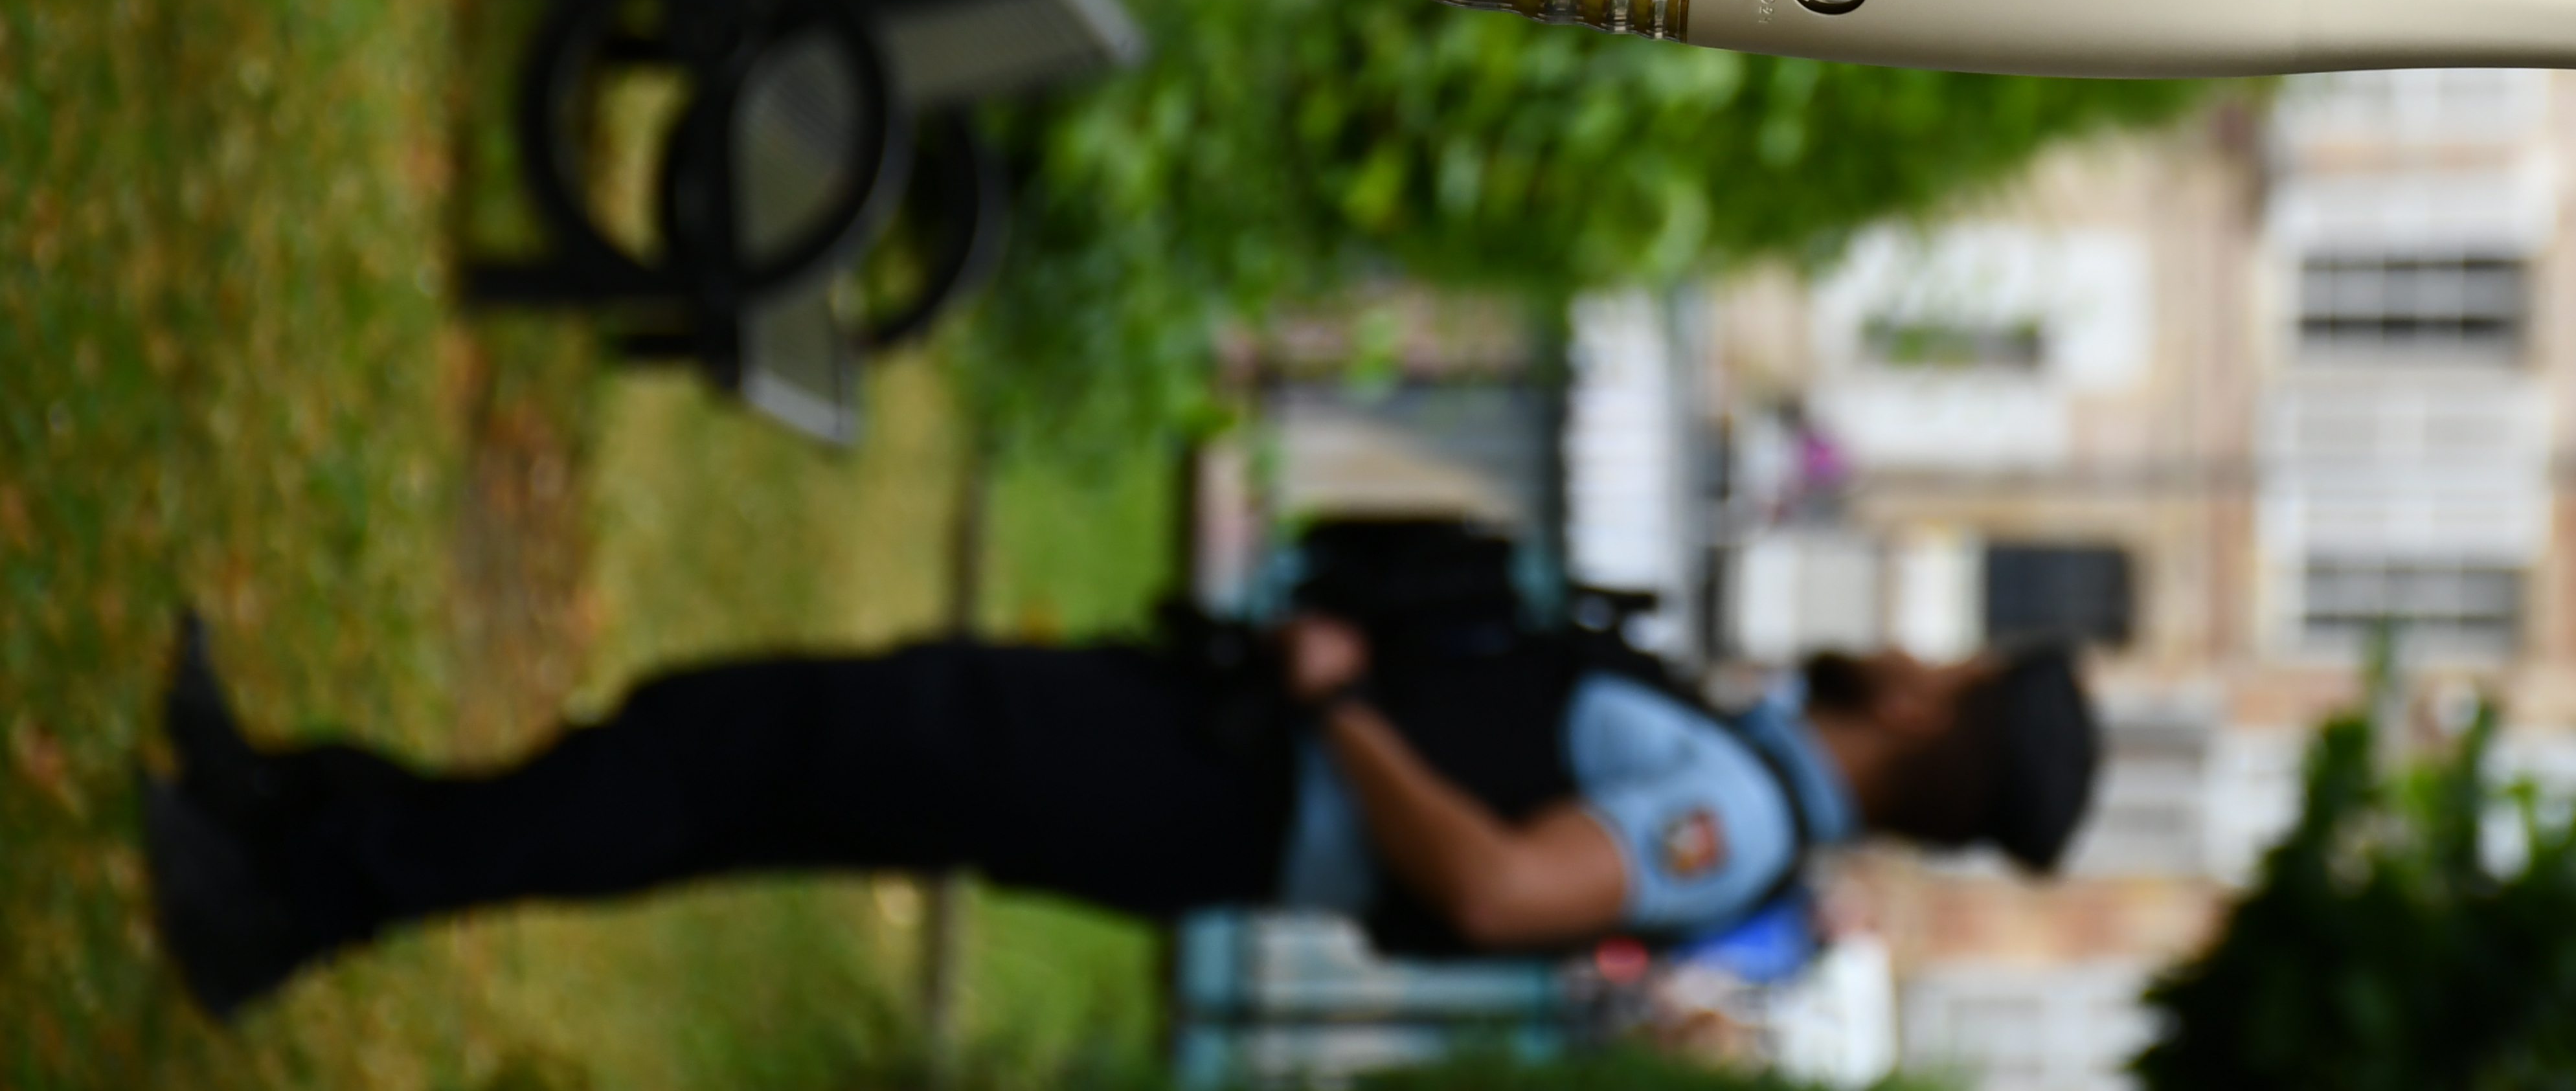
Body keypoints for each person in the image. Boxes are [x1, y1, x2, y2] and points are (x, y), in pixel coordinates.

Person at [136, 565, 2100, 1022]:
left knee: (737, 749)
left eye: (1953, 671)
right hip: (1186, 755)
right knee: (734, 759)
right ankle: (292, 814)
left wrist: (1344, 703)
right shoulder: (1735, 757)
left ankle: (298, 893)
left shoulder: (1728, 822)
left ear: (1937, 730)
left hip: (1197, 796)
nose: (1916, 649)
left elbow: (1502, 886)